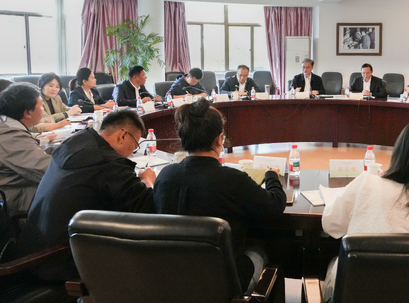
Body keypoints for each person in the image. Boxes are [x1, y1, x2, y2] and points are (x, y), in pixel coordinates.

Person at [153, 99, 286, 290]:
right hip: (223, 283)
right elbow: (275, 206)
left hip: (173, 279)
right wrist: (272, 176)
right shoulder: (232, 179)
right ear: (219, 139)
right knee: (262, 250)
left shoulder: (165, 176)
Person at [321, 118, 409, 301]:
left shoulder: (367, 183)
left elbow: (330, 224)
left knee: (333, 263)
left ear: (400, 152)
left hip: (357, 294)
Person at [17, 110, 155, 281]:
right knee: (148, 252)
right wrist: (148, 180)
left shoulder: (75, 141)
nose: (132, 152)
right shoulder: (109, 163)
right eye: (134, 146)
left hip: (31, 248)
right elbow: (147, 209)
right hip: (60, 260)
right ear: (123, 135)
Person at [0, 83, 52, 215]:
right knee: (76, 192)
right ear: (27, 112)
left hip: (17, 185)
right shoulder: (10, 136)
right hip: (14, 197)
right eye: (41, 106)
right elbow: (47, 171)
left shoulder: (6, 124)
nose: (43, 111)